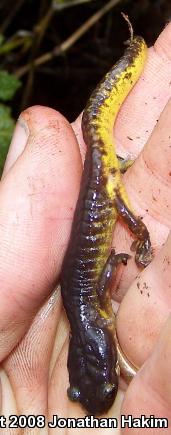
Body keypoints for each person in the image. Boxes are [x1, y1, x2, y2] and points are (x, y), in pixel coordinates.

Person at [0, 22, 171, 434]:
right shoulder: (82, 313)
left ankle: (134, 54)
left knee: (100, 121)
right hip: (99, 185)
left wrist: (127, 253)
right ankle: (133, 53)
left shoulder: (92, 308)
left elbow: (111, 266)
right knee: (98, 122)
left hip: (103, 187)